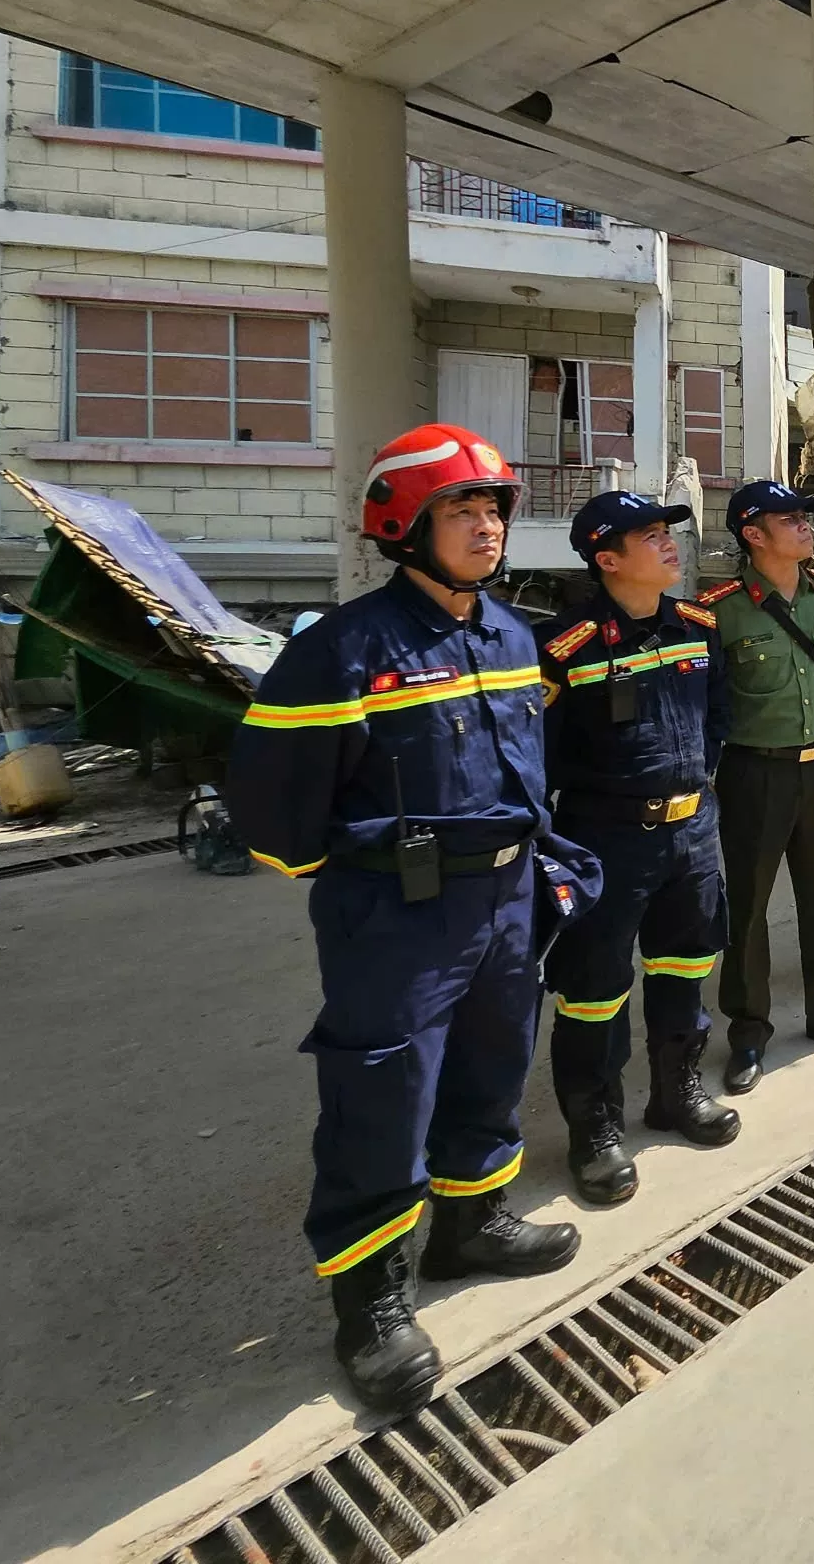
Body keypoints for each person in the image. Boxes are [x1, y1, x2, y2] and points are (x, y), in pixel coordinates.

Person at [228, 423, 601, 1417]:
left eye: (492, 509)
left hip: (507, 902)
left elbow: (529, 772)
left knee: (491, 1067)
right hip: (398, 914)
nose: (485, 527)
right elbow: (271, 812)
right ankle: (371, 1306)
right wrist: (362, 876)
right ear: (405, 524)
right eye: (460, 511)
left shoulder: (515, 637)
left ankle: (471, 1222)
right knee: (381, 1098)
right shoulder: (342, 650)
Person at [535, 490, 741, 1207]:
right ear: (607, 557)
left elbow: (717, 718)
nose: (667, 544)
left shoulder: (696, 627)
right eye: (648, 535)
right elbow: (542, 759)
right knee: (593, 993)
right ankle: (595, 1130)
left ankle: (676, 1092)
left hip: (692, 830)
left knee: (684, 969)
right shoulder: (567, 647)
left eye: (666, 532)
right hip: (604, 838)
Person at [703, 479, 814, 1094]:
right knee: (749, 907)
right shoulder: (719, 610)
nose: (805, 526)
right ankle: (750, 1030)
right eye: (790, 519)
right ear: (753, 535)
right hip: (754, 769)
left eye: (805, 516)